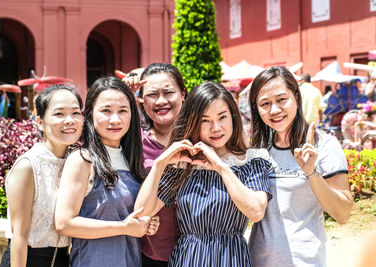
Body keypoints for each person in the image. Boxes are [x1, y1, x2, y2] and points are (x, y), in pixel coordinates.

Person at [135, 81, 272, 266]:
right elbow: (141, 212)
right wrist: (160, 164)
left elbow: (256, 211)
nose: (215, 127)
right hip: (188, 258)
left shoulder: (251, 161)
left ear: (233, 117)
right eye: (205, 120)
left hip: (230, 258)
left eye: (222, 117)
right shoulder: (184, 163)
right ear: (193, 122)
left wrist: (221, 166)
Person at [248, 66, 353, 267]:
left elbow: (343, 214)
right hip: (257, 260)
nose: (275, 110)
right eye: (265, 103)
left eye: (281, 99)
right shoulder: (258, 148)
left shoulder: (324, 145)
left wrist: (311, 173)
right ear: (256, 108)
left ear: (296, 97)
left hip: (305, 261)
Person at [54, 76, 159, 267]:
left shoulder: (132, 160)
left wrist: (145, 224)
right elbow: (64, 223)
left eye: (123, 111)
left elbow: (128, 216)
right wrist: (123, 227)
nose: (115, 119)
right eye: (106, 111)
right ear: (91, 114)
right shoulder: (82, 159)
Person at [0, 84, 84, 267]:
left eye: (76, 113)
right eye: (59, 114)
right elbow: (19, 236)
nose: (70, 120)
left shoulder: (77, 161)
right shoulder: (28, 166)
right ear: (40, 122)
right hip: (27, 260)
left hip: (62, 259)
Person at [123, 63, 187, 266]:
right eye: (152, 94)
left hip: (199, 251)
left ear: (183, 94)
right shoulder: (133, 143)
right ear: (141, 100)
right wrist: (121, 93)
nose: (161, 101)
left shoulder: (202, 137)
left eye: (168, 92)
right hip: (151, 254)